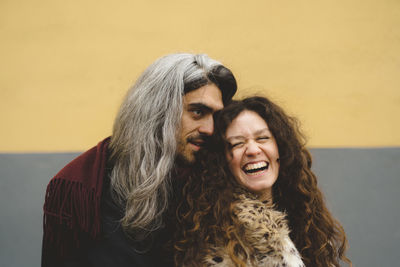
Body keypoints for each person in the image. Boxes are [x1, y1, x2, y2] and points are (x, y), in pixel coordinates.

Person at [41, 53, 237, 267]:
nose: (210, 129)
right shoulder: (81, 191)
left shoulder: (217, 183)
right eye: (198, 112)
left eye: (216, 117)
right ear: (159, 110)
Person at [174, 96, 351, 266]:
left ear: (280, 149)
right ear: (221, 163)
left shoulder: (303, 222)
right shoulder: (219, 237)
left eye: (262, 138)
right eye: (237, 143)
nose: (252, 150)